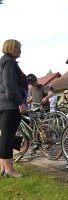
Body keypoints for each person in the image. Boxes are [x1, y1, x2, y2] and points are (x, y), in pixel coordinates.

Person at [0, 39, 28, 177]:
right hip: (11, 105)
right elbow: (10, 87)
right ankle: (10, 170)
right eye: (17, 47)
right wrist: (20, 103)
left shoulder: (3, 61)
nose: (19, 49)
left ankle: (4, 169)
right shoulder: (9, 62)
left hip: (3, 104)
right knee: (7, 137)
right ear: (10, 47)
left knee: (4, 137)